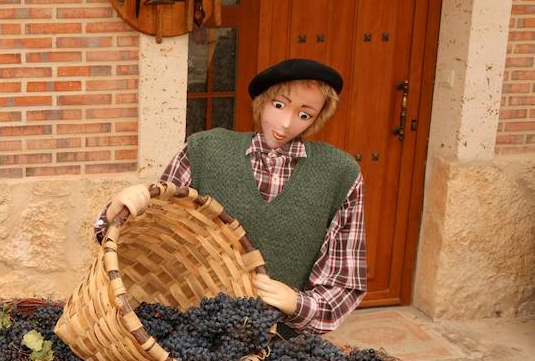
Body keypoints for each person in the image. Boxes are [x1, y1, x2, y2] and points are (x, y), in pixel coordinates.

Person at [94, 58, 367, 334]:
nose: (285, 123)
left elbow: (344, 281)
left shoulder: (340, 174)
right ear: (262, 101)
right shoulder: (205, 151)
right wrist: (117, 211)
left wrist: (298, 303)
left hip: (281, 343)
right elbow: (152, 236)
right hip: (191, 333)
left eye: (304, 114)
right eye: (279, 105)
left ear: (317, 118)